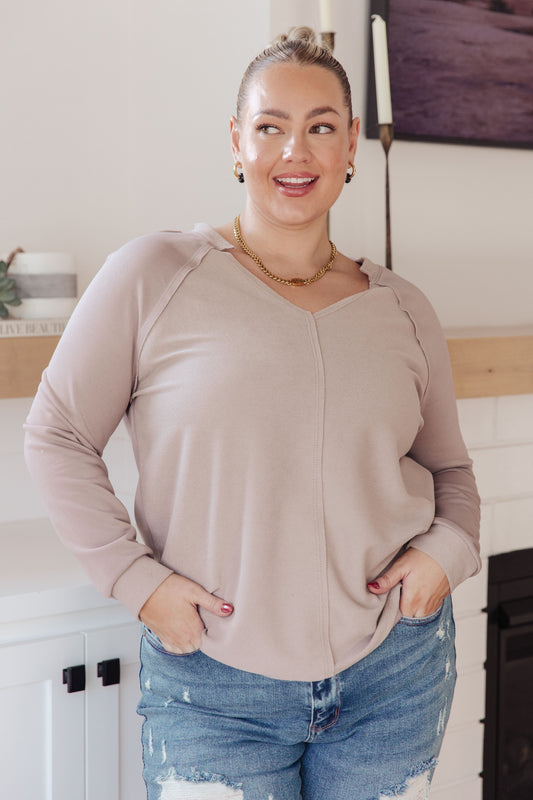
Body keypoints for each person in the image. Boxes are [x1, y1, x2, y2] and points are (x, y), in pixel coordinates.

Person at [24, 26, 480, 800]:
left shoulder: (403, 308)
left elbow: (450, 473)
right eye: (269, 127)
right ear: (237, 143)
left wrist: (447, 553)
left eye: (321, 127)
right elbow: (58, 434)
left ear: (349, 154)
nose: (293, 152)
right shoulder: (153, 274)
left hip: (392, 677)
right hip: (214, 692)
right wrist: (136, 581)